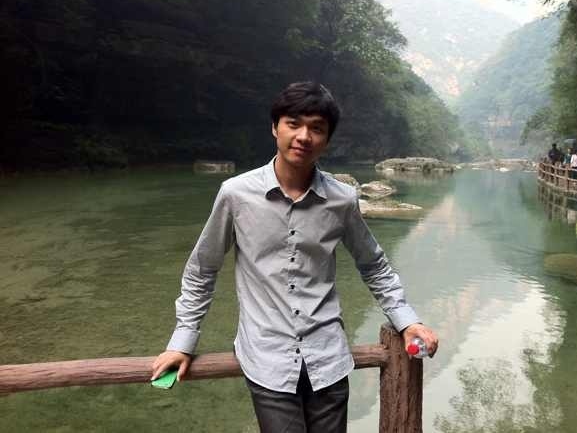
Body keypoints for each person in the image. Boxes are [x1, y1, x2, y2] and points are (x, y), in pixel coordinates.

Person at [150, 81, 439, 433]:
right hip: (267, 361)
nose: (304, 136)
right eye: (293, 123)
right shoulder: (236, 194)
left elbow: (374, 265)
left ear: (327, 139)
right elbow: (202, 269)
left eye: (316, 128)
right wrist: (183, 341)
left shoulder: (342, 199)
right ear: (275, 127)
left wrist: (407, 321)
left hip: (329, 361)